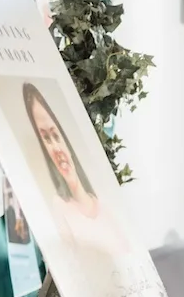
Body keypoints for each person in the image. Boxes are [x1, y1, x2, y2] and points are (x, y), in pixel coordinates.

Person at [23, 82, 130, 257]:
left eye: (55, 135)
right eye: (46, 139)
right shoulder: (59, 207)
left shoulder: (105, 203)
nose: (56, 148)